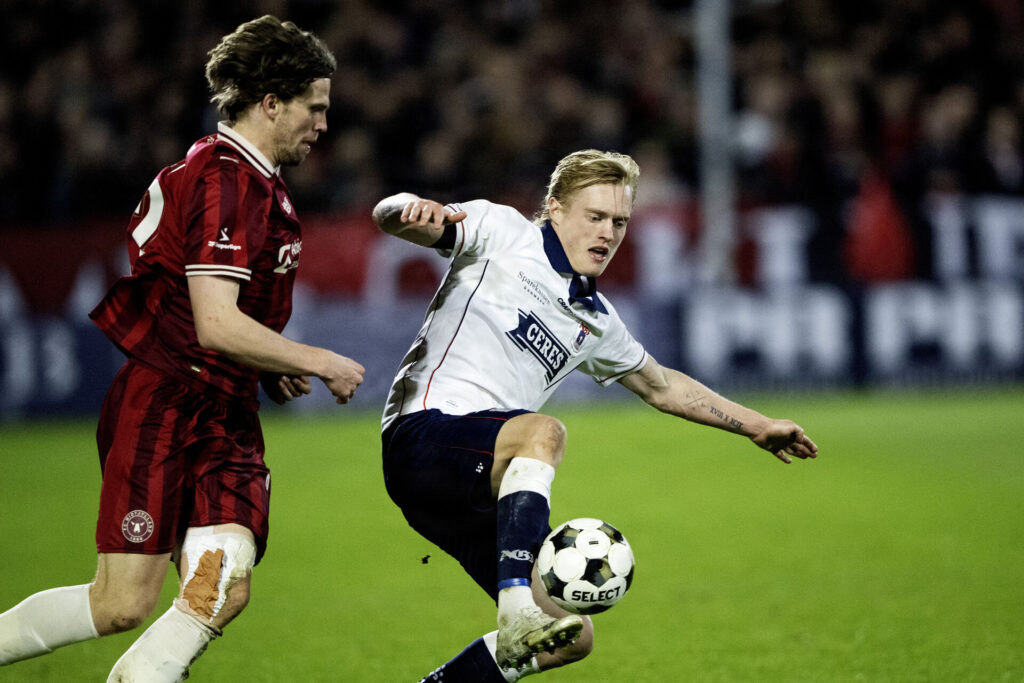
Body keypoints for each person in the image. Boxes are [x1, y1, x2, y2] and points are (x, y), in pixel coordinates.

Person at [0, 15, 364, 681]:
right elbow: (215, 325)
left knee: (220, 584)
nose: (322, 123)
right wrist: (316, 357)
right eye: (315, 107)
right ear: (271, 101)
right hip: (166, 404)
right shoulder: (224, 177)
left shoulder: (257, 183)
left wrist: (269, 362)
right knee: (119, 604)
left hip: (224, 411)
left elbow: (230, 329)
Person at [373, 149, 819, 681]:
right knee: (543, 432)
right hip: (422, 437)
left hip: (475, 483)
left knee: (572, 636)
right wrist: (409, 208)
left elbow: (661, 385)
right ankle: (516, 609)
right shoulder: (503, 232)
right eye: (595, 217)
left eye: (620, 222)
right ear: (555, 209)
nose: (608, 233)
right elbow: (394, 217)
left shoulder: (596, 320)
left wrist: (757, 425)